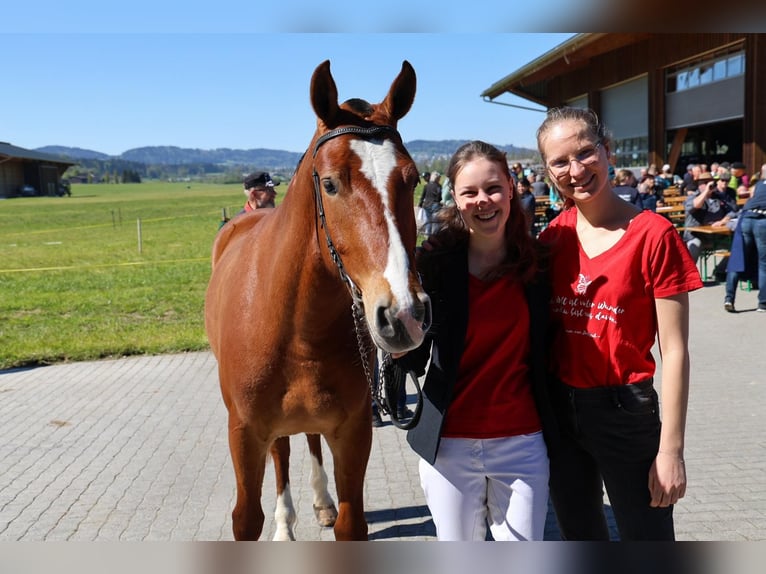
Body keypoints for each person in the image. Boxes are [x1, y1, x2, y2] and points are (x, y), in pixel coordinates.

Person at [536, 107, 703, 541]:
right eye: (559, 161)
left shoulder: (654, 235)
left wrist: (671, 449)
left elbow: (676, 350)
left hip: (625, 413)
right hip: (559, 411)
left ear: (607, 152)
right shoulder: (553, 238)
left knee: (647, 541)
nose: (575, 170)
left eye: (586, 152)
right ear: (547, 170)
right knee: (580, 537)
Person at [393, 141, 557, 541]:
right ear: (455, 197)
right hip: (448, 445)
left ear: (511, 188)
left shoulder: (539, 264)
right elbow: (412, 360)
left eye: (493, 188)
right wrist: (398, 339)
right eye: (470, 192)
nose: (483, 201)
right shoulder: (433, 264)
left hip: (522, 442)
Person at [723, 163, 766, 313]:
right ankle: (762, 304)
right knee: (764, 263)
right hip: (762, 220)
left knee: (737, 258)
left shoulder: (758, 185)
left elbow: (751, 196)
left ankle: (729, 298)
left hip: (746, 217)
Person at [683, 171, 738, 263]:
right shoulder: (693, 197)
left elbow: (733, 211)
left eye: (710, 182)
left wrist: (723, 221)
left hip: (717, 235)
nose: (709, 185)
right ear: (699, 185)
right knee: (694, 247)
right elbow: (695, 205)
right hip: (696, 235)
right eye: (705, 183)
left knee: (737, 245)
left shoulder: (719, 197)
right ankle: (688, 275)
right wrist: (705, 192)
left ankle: (720, 271)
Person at [418, 171, 443, 236]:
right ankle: (435, 235)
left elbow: (423, 195)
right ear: (437, 178)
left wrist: (420, 203)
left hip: (426, 205)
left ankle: (427, 234)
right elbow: (439, 197)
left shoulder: (426, 185)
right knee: (435, 222)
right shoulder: (438, 186)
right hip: (435, 205)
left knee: (428, 221)